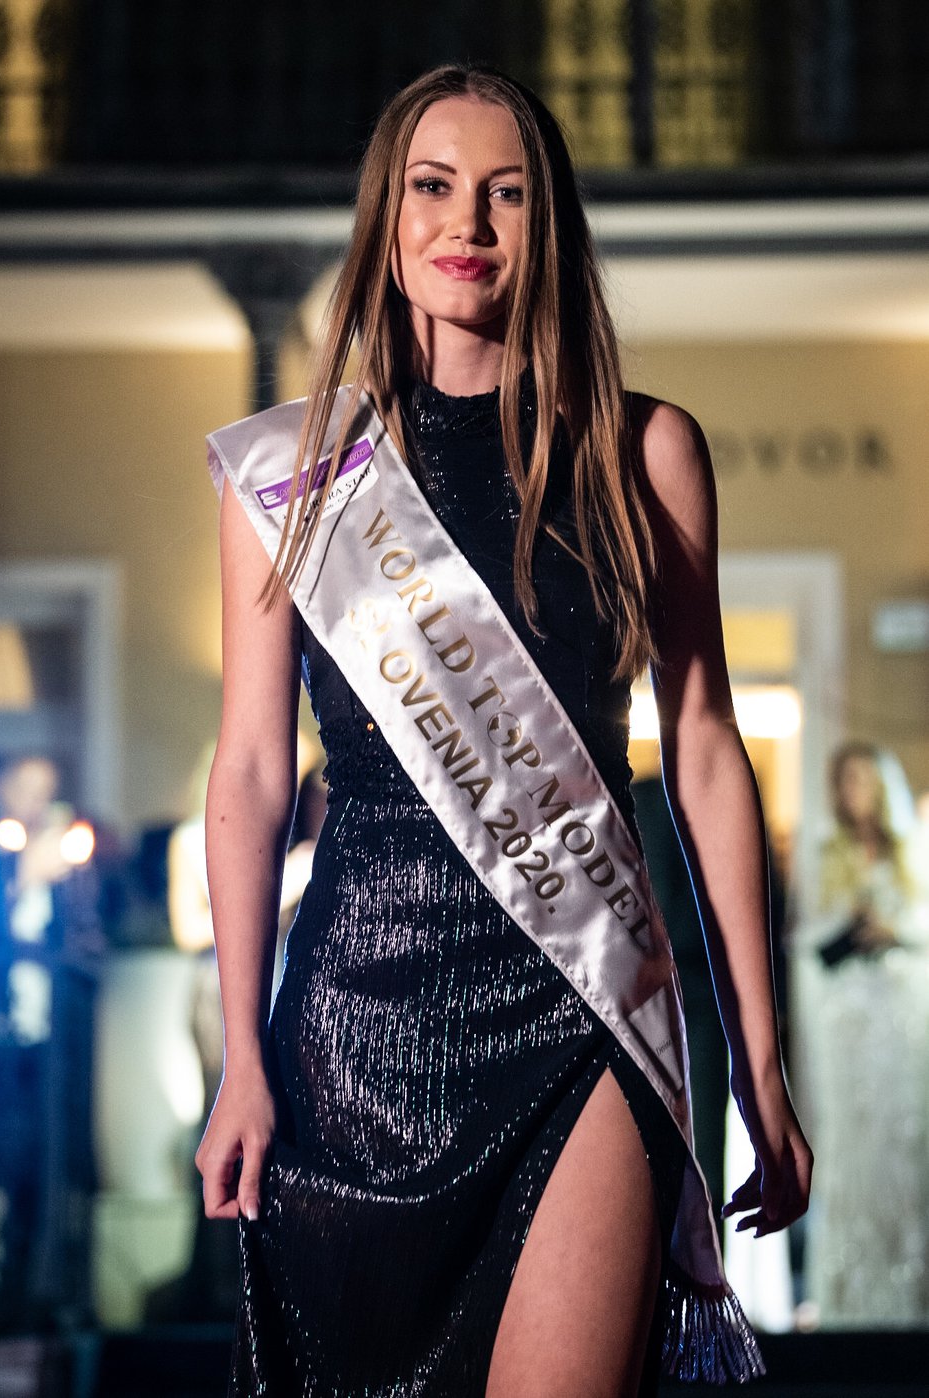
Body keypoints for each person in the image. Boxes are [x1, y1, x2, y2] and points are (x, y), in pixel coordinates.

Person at [195, 65, 811, 1396]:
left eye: (507, 192)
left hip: (579, 1007)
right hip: (356, 1023)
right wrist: (240, 1056)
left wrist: (757, 1061)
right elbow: (249, 769)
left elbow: (703, 748)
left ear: (550, 224)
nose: (466, 222)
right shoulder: (295, 474)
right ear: (388, 220)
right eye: (433, 186)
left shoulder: (642, 451)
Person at [794, 742, 929, 1326]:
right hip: (848, 1022)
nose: (856, 792)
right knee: (854, 1144)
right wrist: (850, 929)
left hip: (901, 1019)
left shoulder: (911, 854)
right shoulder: (827, 855)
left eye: (864, 780)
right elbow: (806, 941)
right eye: (846, 781)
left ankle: (910, 1289)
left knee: (903, 1142)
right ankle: (850, 1294)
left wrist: (893, 931)